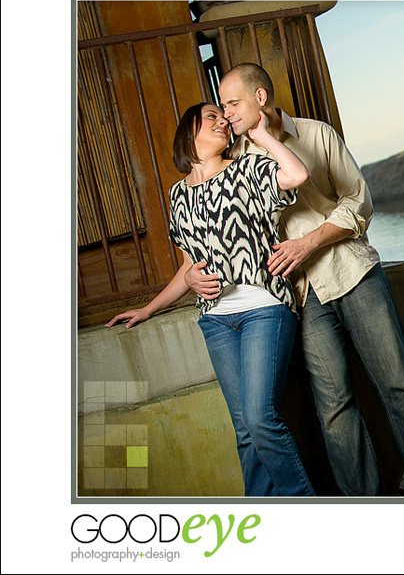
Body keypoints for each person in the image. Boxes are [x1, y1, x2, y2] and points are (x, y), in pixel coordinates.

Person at [185, 63, 404, 496]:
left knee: (399, 387)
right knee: (334, 408)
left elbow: (359, 202)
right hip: (299, 294)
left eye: (233, 103)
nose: (227, 114)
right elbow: (211, 231)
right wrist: (191, 278)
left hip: (352, 272)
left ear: (260, 98)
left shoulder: (316, 135)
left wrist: (308, 242)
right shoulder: (230, 160)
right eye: (221, 107)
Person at [107, 102, 316, 497]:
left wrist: (262, 135)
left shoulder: (245, 170)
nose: (223, 121)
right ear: (190, 132)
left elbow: (297, 174)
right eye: (211, 117)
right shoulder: (178, 195)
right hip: (216, 320)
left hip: (262, 308)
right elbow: (189, 265)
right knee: (244, 430)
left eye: (226, 117)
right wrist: (151, 306)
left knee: (260, 419)